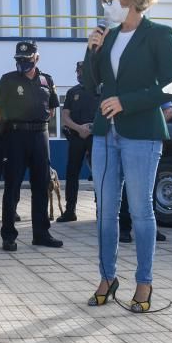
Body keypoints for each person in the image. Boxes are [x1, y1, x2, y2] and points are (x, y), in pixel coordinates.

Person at [83, 0, 172, 313]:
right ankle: (107, 278)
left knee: (140, 212)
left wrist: (128, 101)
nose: (107, 5)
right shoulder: (106, 36)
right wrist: (92, 50)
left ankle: (144, 281)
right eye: (104, 0)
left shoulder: (159, 34)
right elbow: (91, 82)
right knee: (105, 212)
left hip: (142, 132)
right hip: (104, 134)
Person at [0, 40, 62, 252]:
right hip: (16, 137)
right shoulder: (8, 80)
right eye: (19, 60)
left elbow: (52, 108)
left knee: (42, 185)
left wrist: (41, 120)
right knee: (12, 188)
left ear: (36, 58)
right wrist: (5, 131)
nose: (22, 63)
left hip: (41, 136)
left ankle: (41, 234)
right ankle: (9, 236)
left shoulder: (46, 80)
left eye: (27, 59)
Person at [118, 102, 172, 243]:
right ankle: (124, 228)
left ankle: (151, 229)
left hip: (149, 141)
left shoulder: (153, 83)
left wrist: (151, 124)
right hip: (127, 139)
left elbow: (168, 111)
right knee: (126, 187)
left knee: (150, 188)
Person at [57, 61, 99, 223]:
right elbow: (65, 116)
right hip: (76, 137)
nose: (79, 74)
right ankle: (70, 210)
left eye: (81, 71)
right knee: (71, 173)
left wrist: (91, 128)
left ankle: (100, 210)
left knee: (99, 175)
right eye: (77, 72)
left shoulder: (101, 90)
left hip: (96, 137)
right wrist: (79, 128)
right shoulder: (72, 92)